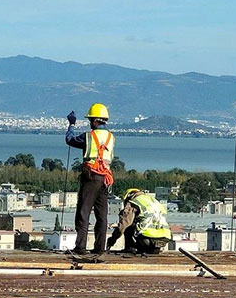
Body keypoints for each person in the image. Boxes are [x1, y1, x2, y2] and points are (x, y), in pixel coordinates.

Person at [65, 103, 115, 255]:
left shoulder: (89, 136)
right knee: (102, 215)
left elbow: (70, 140)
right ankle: (100, 248)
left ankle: (80, 247)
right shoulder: (111, 137)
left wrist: (72, 124)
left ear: (94, 121)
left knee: (83, 212)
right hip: (105, 178)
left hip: (91, 177)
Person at [106, 189, 172, 255]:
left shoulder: (134, 202)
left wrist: (112, 240)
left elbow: (124, 224)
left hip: (147, 237)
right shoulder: (155, 202)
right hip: (164, 238)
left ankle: (130, 248)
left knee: (128, 221)